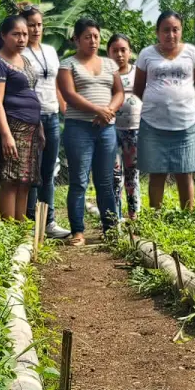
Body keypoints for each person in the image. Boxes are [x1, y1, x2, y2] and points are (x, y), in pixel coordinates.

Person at [57, 18, 123, 246]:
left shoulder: (109, 64)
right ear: (76, 39)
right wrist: (97, 109)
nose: (93, 41)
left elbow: (119, 92)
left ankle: (111, 229)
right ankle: (77, 231)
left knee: (105, 181)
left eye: (96, 36)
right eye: (87, 36)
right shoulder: (68, 64)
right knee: (79, 181)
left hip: (106, 129)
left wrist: (109, 111)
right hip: (78, 129)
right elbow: (69, 95)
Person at [133, 11, 195, 210]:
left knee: (185, 173)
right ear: (157, 32)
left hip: (186, 124)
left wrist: (185, 104)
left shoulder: (192, 53)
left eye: (175, 30)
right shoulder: (146, 54)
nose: (171, 35)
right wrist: (157, 104)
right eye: (166, 30)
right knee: (157, 173)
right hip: (153, 125)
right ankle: (156, 216)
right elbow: (138, 87)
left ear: (181, 31)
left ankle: (187, 216)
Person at [0, 14, 43, 221]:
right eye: (16, 34)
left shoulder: (25, 60)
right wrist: (6, 135)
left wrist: (40, 127)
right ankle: (8, 229)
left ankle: (21, 226)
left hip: (32, 127)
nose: (22, 39)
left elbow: (31, 94)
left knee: (25, 180)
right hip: (13, 125)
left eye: (25, 34)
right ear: (3, 35)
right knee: (10, 179)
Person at [22, 7, 70, 238]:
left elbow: (57, 83)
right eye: (31, 24)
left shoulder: (50, 51)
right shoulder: (19, 52)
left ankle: (49, 220)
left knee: (48, 170)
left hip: (52, 115)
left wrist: (64, 106)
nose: (36, 29)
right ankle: (31, 221)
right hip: (30, 117)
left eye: (39, 25)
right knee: (32, 171)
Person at [108, 34, 142, 220]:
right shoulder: (105, 74)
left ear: (129, 52)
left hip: (134, 130)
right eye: (115, 50)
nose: (119, 54)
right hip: (111, 130)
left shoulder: (138, 72)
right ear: (108, 52)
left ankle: (133, 215)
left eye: (123, 50)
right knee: (114, 175)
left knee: (132, 174)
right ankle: (116, 216)